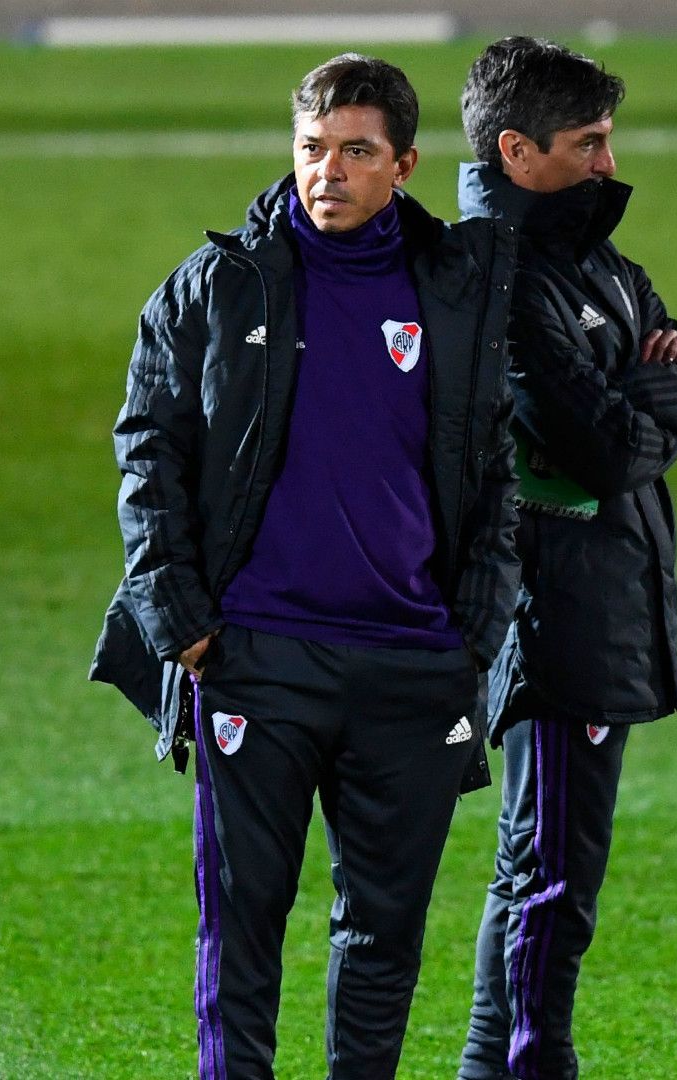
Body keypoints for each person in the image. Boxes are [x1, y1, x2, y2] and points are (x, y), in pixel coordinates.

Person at [88, 54, 522, 1080]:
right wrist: (181, 619)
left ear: (405, 164)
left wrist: (473, 636)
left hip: (412, 667)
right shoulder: (213, 287)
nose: (327, 171)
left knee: (382, 938)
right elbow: (144, 451)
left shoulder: (455, 294)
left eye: (356, 152)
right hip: (257, 656)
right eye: (312, 150)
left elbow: (496, 475)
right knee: (242, 931)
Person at [452, 37, 677, 1080]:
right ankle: (525, 1068)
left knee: (547, 869)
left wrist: (633, 395)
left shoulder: (597, 265)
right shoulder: (506, 277)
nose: (611, 163)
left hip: (601, 599)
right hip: (555, 610)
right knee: (550, 876)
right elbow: (609, 449)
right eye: (591, 143)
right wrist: (640, 396)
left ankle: (508, 1066)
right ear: (518, 151)